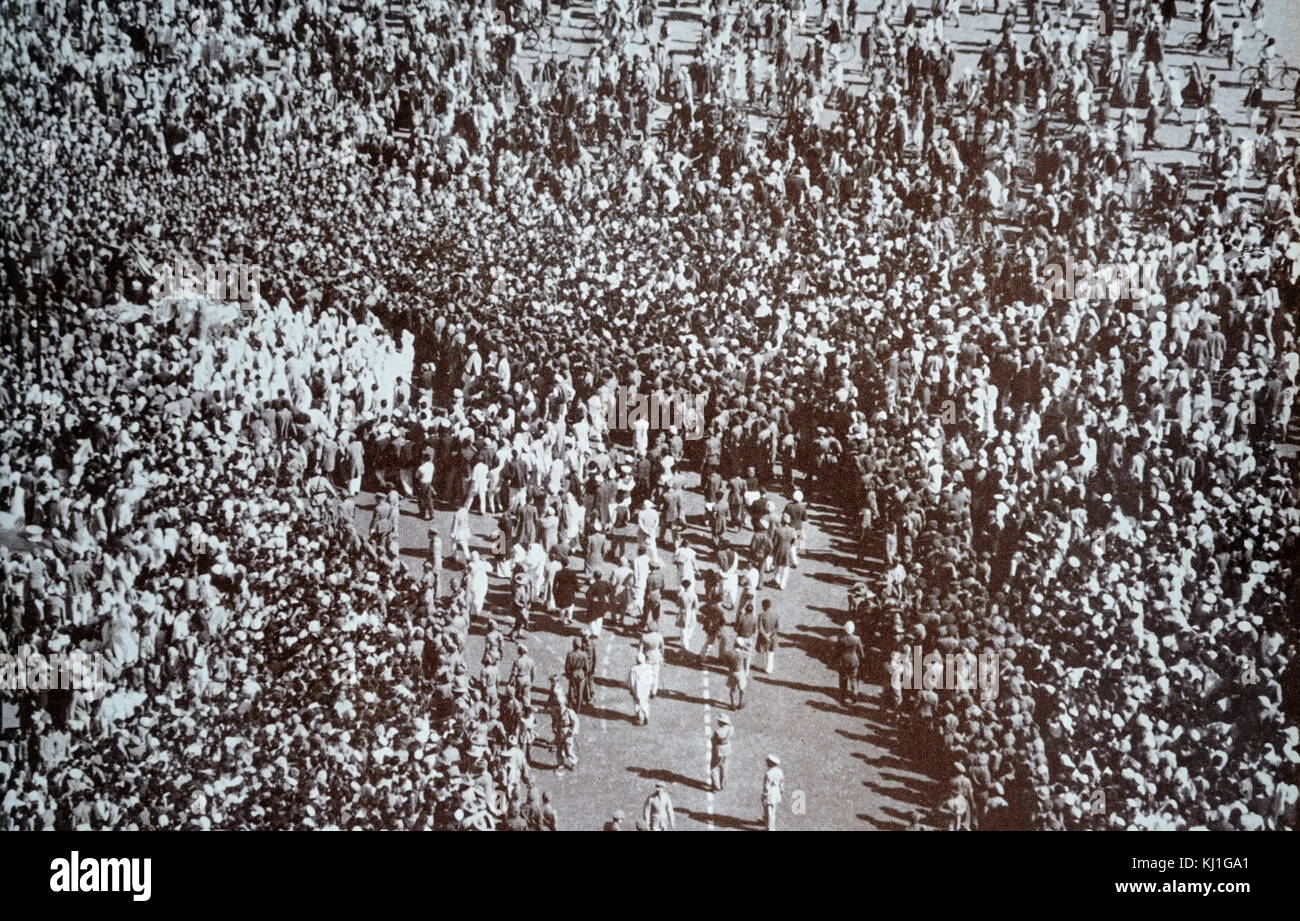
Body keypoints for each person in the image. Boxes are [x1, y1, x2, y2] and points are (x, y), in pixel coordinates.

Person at [836, 622, 864, 705]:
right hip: (854, 661)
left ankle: (843, 696)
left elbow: (837, 650)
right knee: (853, 678)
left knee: (843, 679)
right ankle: (854, 696)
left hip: (843, 660)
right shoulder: (857, 639)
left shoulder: (841, 638)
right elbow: (861, 652)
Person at [628, 651, 655, 725]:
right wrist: (651, 687)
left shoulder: (633, 669)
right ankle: (646, 715)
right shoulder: (649, 667)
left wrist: (630, 688)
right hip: (646, 687)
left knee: (637, 702)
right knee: (645, 701)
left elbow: (631, 680)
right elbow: (652, 679)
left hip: (637, 688)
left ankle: (639, 715)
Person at [756, 598, 781, 674]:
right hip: (773, 637)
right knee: (771, 652)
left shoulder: (761, 615)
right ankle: (769, 668)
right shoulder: (776, 614)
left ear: (764, 606)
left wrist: (766, 635)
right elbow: (778, 627)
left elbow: (760, 628)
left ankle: (764, 666)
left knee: (764, 652)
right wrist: (770, 633)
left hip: (763, 637)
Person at [710, 715, 733, 792]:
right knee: (724, 767)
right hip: (727, 748)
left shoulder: (718, 732)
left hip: (719, 749)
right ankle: (723, 784)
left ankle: (716, 786)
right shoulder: (731, 728)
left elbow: (713, 740)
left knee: (714, 767)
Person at [762, 754, 784, 831]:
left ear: (771, 763)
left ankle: (770, 828)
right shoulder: (780, 771)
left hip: (770, 793)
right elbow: (782, 783)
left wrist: (765, 795)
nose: (767, 762)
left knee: (770, 811)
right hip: (776, 791)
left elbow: (766, 787)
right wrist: (781, 791)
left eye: (768, 761)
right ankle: (767, 822)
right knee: (773, 810)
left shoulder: (768, 773)